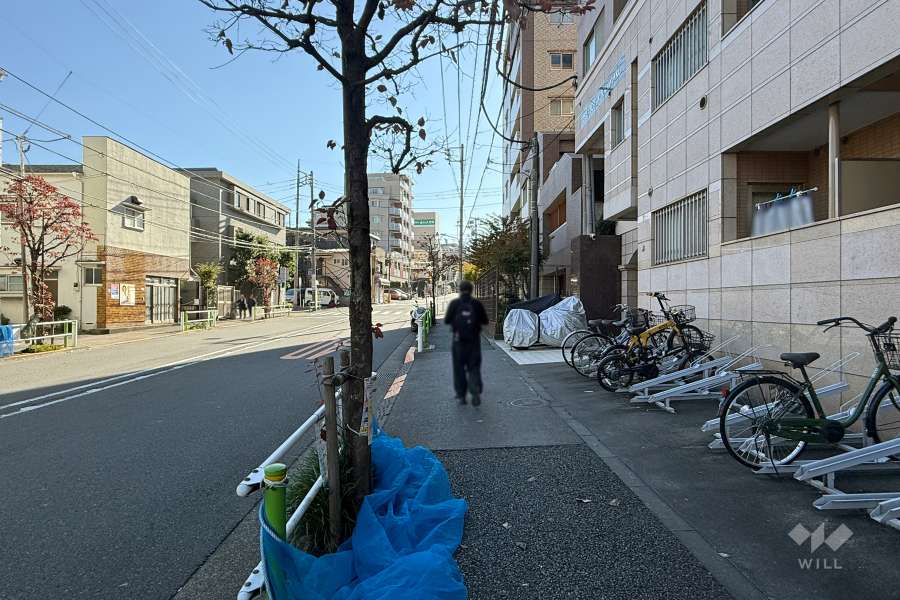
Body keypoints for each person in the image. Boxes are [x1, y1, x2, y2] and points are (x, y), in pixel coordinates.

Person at [444, 280, 489, 406]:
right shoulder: (476, 304)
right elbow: (485, 321)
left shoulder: (455, 303)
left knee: (459, 368)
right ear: (471, 290)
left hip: (458, 342)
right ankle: (475, 389)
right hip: (474, 341)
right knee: (473, 366)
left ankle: (461, 395)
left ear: (460, 290)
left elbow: (447, 320)